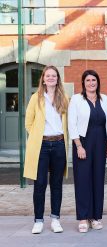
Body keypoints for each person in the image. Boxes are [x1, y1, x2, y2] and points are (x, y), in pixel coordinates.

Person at [24, 65, 69, 234]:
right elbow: (28, 122)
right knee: (40, 184)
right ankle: (38, 220)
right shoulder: (36, 98)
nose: (51, 78)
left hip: (59, 145)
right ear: (43, 78)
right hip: (41, 146)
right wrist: (37, 136)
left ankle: (55, 219)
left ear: (57, 79)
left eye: (54, 76)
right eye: (48, 75)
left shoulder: (64, 97)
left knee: (56, 184)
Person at [68, 70, 107, 233]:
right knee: (83, 180)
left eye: (94, 80)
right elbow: (71, 123)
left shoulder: (105, 98)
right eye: (88, 80)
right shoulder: (76, 99)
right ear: (83, 83)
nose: (91, 83)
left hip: (100, 142)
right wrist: (78, 145)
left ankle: (95, 217)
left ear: (98, 82)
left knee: (98, 179)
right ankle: (83, 217)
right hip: (83, 143)